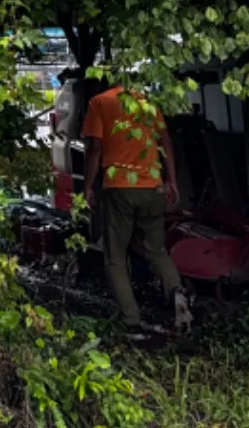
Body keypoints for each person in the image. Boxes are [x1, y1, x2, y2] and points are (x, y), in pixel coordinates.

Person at [82, 83, 191, 334]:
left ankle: (130, 320)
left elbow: (94, 149)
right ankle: (177, 294)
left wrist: (88, 186)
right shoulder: (147, 103)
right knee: (157, 251)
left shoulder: (99, 103)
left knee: (115, 257)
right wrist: (171, 181)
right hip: (153, 187)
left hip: (119, 188)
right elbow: (166, 144)